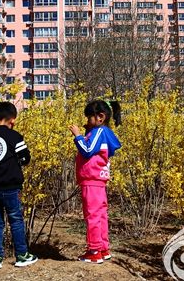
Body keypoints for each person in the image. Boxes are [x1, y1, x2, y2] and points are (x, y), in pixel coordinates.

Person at [0, 101, 38, 269]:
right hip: (10, 186)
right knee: (16, 220)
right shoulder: (14, 136)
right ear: (12, 120)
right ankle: (22, 255)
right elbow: (25, 158)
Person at [69, 99, 122, 264]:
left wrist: (78, 136)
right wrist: (88, 133)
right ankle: (103, 248)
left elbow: (87, 150)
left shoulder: (99, 132)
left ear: (100, 117)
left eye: (89, 117)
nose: (87, 120)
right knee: (100, 215)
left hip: (91, 179)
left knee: (92, 215)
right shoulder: (103, 132)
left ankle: (94, 251)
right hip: (99, 180)